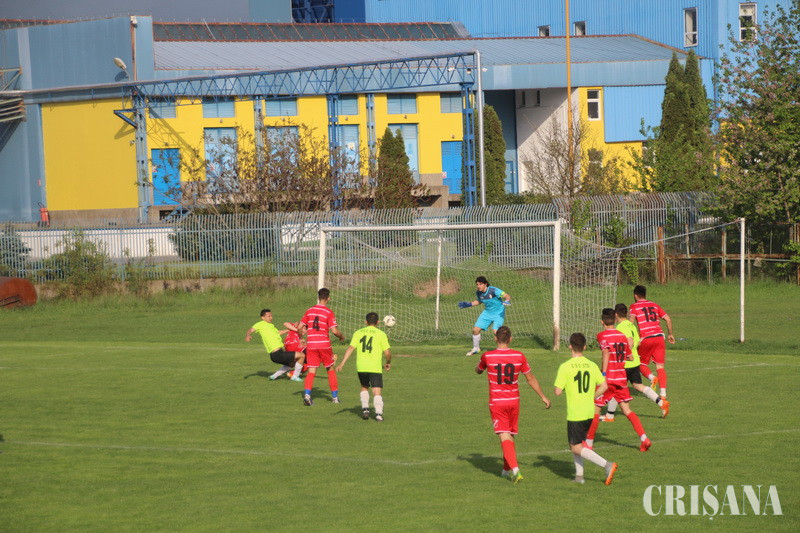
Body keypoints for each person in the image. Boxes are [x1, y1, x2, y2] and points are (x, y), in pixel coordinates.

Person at [475, 326, 550, 483]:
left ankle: (515, 470)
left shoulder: (487, 356)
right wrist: (543, 396)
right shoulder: (519, 356)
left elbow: (479, 370)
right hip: (514, 401)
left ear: (495, 338)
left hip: (497, 402)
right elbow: (530, 378)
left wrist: (479, 366)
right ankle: (505, 470)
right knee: (509, 436)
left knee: (504, 435)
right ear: (510, 339)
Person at [554, 332, 618, 485]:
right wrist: (592, 396)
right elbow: (604, 386)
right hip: (590, 411)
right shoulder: (592, 365)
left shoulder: (565, 366)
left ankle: (607, 465)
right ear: (584, 347)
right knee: (577, 444)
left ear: (570, 346)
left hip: (576, 413)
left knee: (576, 447)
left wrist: (564, 386)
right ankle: (579, 477)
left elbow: (557, 391)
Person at [584, 308, 651, 452]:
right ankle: (644, 438)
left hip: (608, 379)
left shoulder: (601, 335)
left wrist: (603, 374)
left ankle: (589, 443)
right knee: (627, 410)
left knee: (596, 408)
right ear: (615, 320)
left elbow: (606, 352)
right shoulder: (622, 336)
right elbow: (630, 357)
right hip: (621, 378)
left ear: (602, 322)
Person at [600, 304, 669, 420]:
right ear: (626, 313)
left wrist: (624, 355)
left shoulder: (621, 327)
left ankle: (609, 415)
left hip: (625, 363)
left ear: (616, 315)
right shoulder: (631, 325)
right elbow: (638, 342)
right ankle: (661, 403)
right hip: (635, 362)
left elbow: (630, 341)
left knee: (614, 387)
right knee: (638, 385)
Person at [335, 312, 391, 421]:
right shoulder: (381, 334)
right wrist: (388, 362)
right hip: (375, 367)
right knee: (376, 390)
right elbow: (387, 353)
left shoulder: (358, 332)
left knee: (364, 386)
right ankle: (378, 414)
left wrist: (342, 363)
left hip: (361, 366)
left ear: (366, 322)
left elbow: (351, 348)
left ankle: (365, 409)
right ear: (378, 322)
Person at [300, 287, 346, 406]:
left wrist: (301, 337)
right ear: (328, 298)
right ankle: (335, 398)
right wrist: (341, 337)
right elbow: (334, 331)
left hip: (311, 345)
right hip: (324, 345)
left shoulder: (309, 310)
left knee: (311, 371)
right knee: (330, 369)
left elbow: (300, 327)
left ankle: (307, 396)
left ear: (318, 297)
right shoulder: (329, 312)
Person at [629, 285, 675, 399]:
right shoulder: (654, 305)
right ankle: (663, 394)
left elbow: (631, 321)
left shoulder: (634, 306)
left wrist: (631, 336)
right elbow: (668, 319)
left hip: (646, 338)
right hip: (659, 337)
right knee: (660, 366)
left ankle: (652, 378)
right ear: (645, 294)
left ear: (635, 295)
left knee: (640, 363)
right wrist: (670, 334)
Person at [245, 309, 305, 381]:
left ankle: (273, 376)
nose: (271, 317)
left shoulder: (271, 325)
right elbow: (250, 330)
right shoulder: (260, 324)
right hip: (277, 353)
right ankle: (295, 376)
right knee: (302, 355)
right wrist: (248, 335)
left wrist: (290, 329)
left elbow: (279, 332)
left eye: (271, 316)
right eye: (269, 316)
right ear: (262, 317)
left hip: (277, 354)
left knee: (291, 364)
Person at [459, 276, 511, 356]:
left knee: (496, 331)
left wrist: (507, 300)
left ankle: (502, 349)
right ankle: (476, 348)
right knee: (475, 330)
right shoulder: (478, 292)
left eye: (480, 284)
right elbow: (480, 300)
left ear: (485, 284)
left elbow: (507, 295)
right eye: (477, 284)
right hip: (487, 313)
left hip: (498, 313)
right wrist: (469, 304)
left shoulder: (493, 290)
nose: (478, 286)